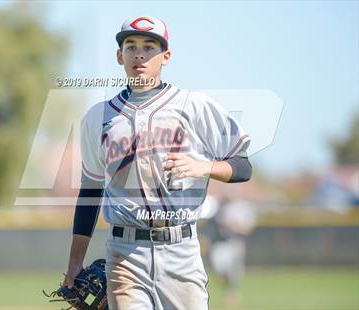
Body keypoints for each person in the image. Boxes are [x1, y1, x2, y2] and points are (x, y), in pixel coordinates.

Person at [63, 16, 253, 309]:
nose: (139, 53)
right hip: (124, 253)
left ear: (166, 56)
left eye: (150, 46)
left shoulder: (194, 106)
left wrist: (205, 167)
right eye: (131, 46)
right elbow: (89, 192)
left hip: (181, 250)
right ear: (119, 55)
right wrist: (75, 263)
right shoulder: (98, 117)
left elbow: (243, 166)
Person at [209, 196, 257, 307]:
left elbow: (246, 228)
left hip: (234, 242)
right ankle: (229, 290)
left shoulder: (242, 209)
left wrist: (238, 227)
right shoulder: (220, 210)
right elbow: (222, 223)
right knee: (219, 272)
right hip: (220, 244)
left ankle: (231, 293)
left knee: (234, 272)